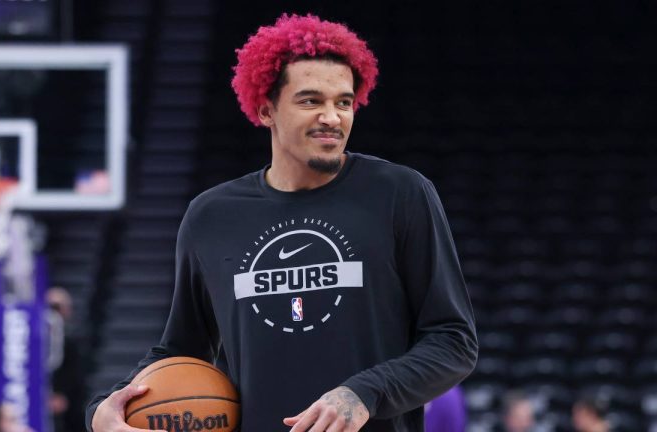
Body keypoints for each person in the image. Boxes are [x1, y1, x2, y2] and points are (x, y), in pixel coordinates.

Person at [86, 13, 477, 432]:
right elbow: (183, 349)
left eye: (343, 102)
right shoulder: (211, 216)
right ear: (265, 108)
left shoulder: (401, 194)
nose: (332, 117)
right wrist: (104, 410)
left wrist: (364, 393)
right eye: (311, 101)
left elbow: (454, 341)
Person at [46, 287, 84, 432]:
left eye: (56, 307)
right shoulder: (32, 340)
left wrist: (60, 394)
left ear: (67, 310)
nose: (51, 312)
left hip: (67, 401)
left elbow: (75, 373)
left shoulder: (73, 339)